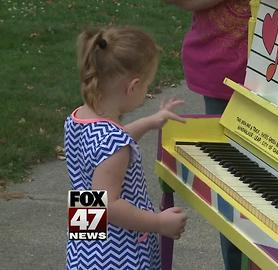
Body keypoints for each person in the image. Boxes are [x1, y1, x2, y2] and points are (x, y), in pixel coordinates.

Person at [65, 26, 187, 269]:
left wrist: (150, 122)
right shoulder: (114, 143)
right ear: (132, 87)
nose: (147, 91)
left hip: (87, 244)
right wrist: (158, 223)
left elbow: (107, 148)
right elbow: (108, 204)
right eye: (147, 86)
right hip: (117, 253)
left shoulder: (78, 118)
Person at [165, 1, 250, 269]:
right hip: (110, 253)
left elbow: (88, 196)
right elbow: (99, 199)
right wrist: (152, 223)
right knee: (238, 193)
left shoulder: (98, 132)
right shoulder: (111, 142)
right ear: (132, 87)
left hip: (97, 252)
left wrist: (84, 251)